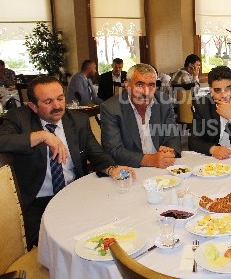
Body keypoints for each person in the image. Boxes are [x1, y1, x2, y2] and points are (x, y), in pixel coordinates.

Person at [0, 76, 135, 248]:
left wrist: (112, 168)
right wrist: (42, 135)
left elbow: (96, 154)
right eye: (48, 101)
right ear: (33, 106)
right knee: (49, 247)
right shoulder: (19, 118)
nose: (57, 106)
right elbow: (2, 140)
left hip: (74, 194)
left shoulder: (77, 120)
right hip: (37, 202)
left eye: (60, 98)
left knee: (106, 235)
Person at [100, 64, 181, 168]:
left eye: (151, 85)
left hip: (162, 169)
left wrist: (170, 152)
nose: (146, 92)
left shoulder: (163, 101)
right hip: (130, 171)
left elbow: (173, 136)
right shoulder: (110, 108)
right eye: (140, 85)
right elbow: (114, 150)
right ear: (127, 85)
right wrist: (150, 160)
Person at [189, 66, 231, 160]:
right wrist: (213, 149)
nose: (223, 95)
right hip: (213, 159)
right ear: (211, 92)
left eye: (228, 89)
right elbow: (193, 141)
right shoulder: (202, 106)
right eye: (217, 90)